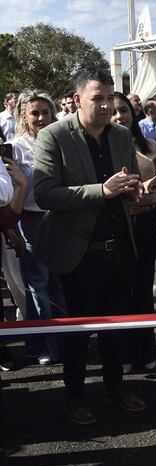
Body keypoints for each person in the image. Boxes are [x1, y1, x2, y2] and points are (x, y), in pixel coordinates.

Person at [33, 68, 146, 425]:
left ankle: (115, 388)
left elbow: (125, 184)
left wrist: (135, 191)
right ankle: (75, 397)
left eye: (110, 97)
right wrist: (103, 190)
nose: (106, 105)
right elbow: (45, 193)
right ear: (77, 99)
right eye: (97, 98)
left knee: (115, 327)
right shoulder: (53, 136)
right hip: (77, 254)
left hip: (118, 249)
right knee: (77, 332)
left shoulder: (122, 136)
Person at [112, 91, 156, 372]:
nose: (118, 116)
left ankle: (146, 350)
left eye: (123, 110)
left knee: (143, 288)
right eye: (113, 111)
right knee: (119, 289)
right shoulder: (102, 148)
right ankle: (123, 353)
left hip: (146, 222)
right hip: (116, 226)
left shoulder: (149, 146)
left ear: (133, 113)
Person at [11, 90, 65, 365]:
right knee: (38, 287)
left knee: (56, 284)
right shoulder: (16, 147)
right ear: (24, 116)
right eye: (35, 113)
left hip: (60, 221)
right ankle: (50, 346)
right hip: (31, 223)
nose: (42, 118)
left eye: (46, 112)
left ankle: (49, 341)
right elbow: (11, 193)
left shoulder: (60, 140)